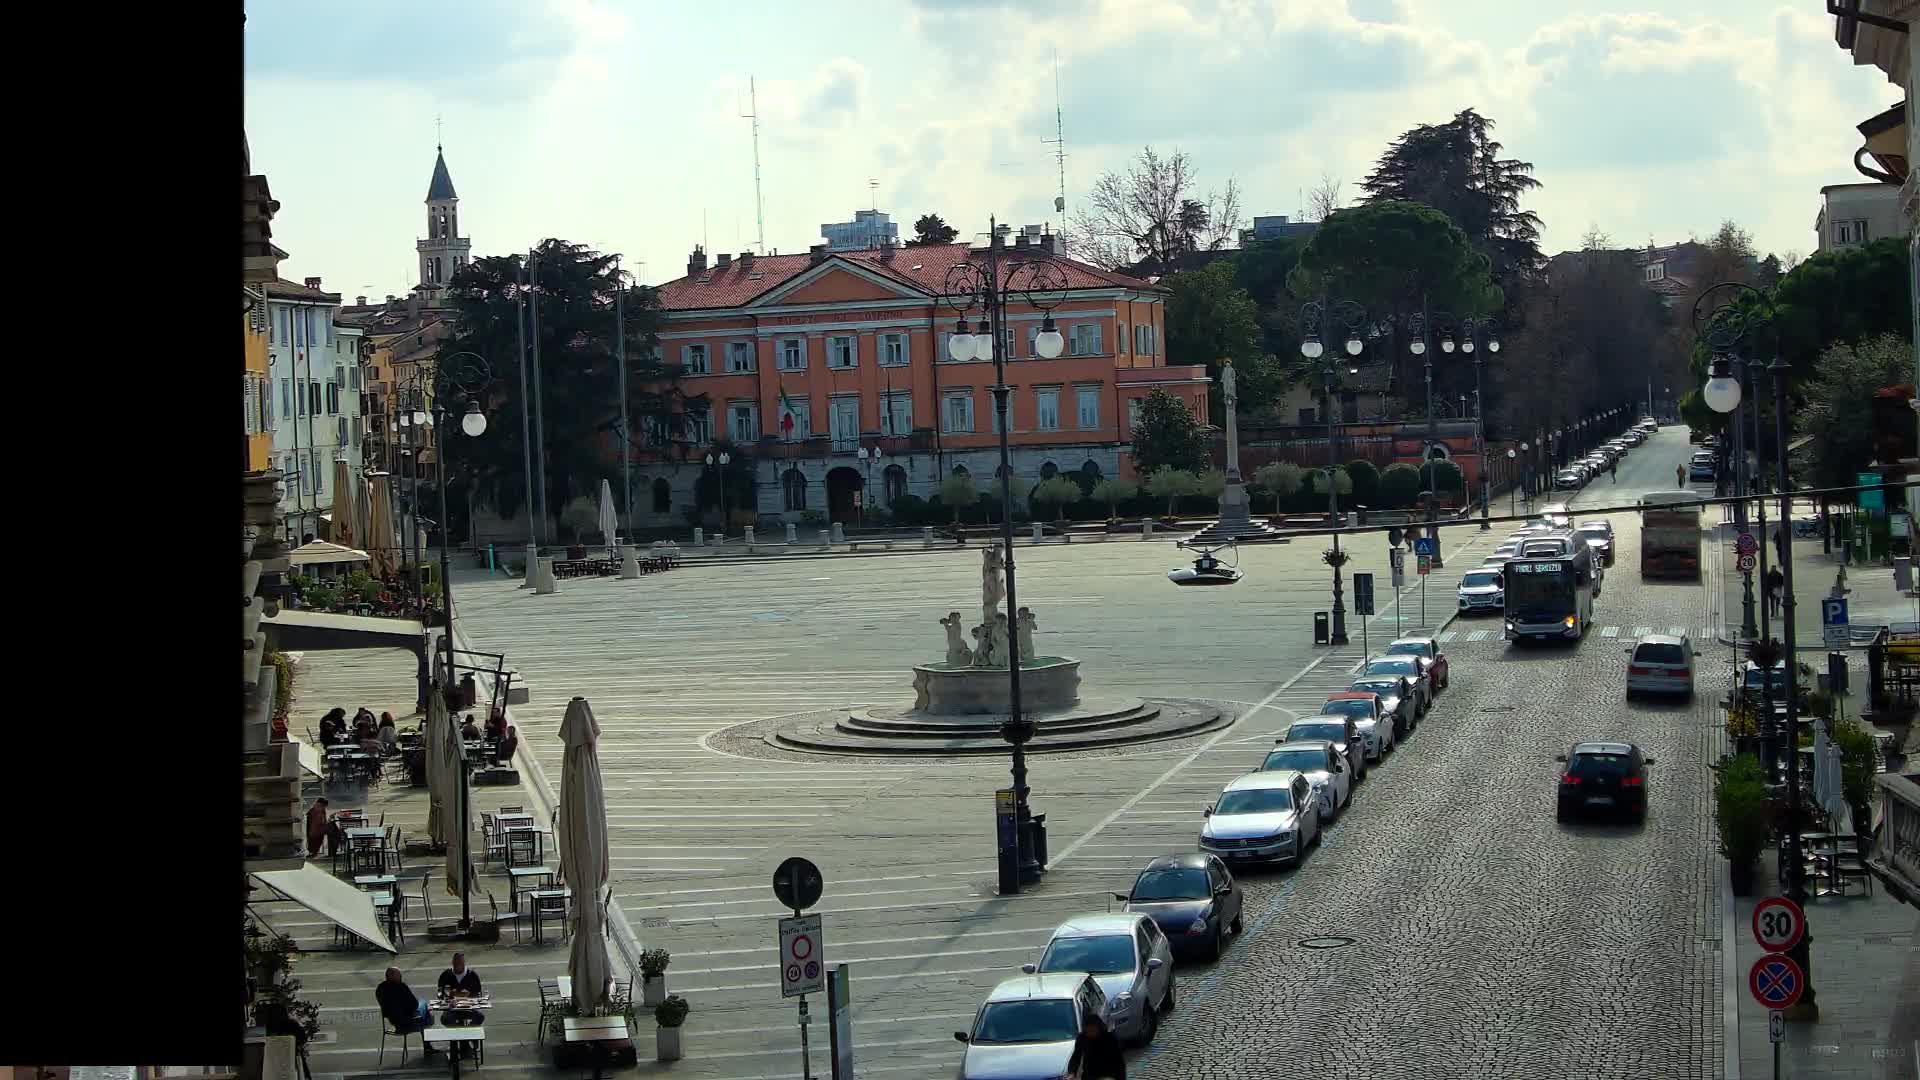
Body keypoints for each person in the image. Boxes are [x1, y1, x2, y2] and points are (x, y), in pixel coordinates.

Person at [373, 967, 436, 1049]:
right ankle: (427, 1045)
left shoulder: (380, 988)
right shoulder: (401, 986)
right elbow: (414, 1004)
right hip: (408, 1023)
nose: (401, 976)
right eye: (399, 975)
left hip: (394, 1022)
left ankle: (427, 1044)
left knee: (424, 1013)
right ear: (393, 976)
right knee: (424, 1005)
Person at [437, 953, 485, 1034]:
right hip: (452, 1009)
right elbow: (440, 994)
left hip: (469, 1008)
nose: (458, 966)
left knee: (480, 1017)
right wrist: (448, 998)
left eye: (460, 963)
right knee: (445, 1019)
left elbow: (478, 994)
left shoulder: (472, 975)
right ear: (452, 963)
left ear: (464, 963)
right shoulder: (445, 975)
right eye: (456, 963)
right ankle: (456, 1036)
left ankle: (468, 1033)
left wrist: (469, 997)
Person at [1072, 1014, 1126, 1080]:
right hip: (1089, 1075)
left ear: (1099, 1028)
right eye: (1088, 1031)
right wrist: (1072, 1072)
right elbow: (1076, 1057)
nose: (1090, 1034)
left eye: (1092, 1031)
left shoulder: (1110, 1038)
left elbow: (1119, 1062)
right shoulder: (1082, 1038)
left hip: (1108, 1074)